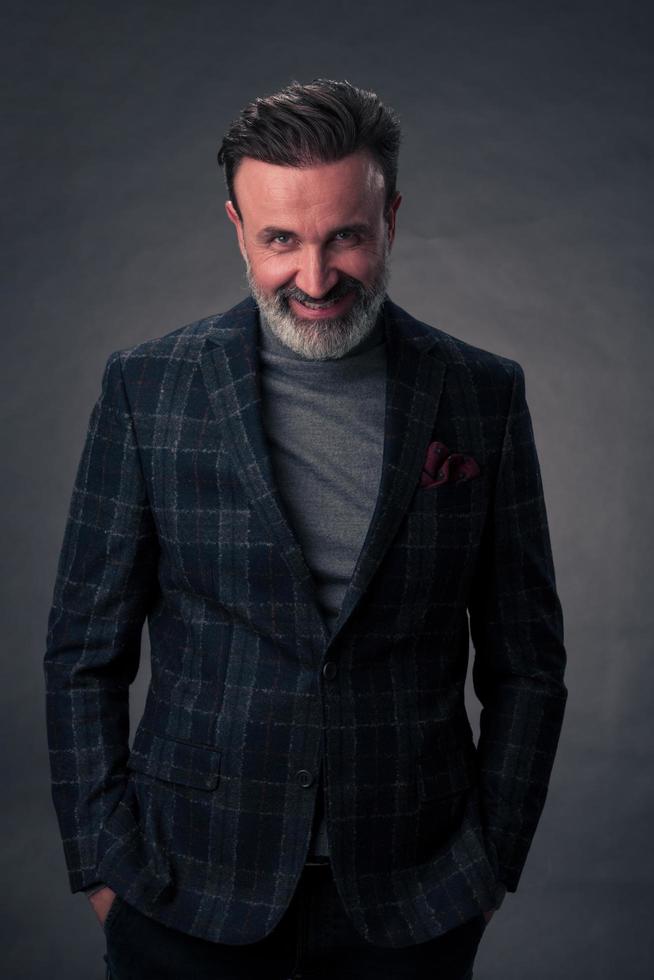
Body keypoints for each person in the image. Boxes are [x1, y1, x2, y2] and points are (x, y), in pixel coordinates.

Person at [44, 78, 567, 979]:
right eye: (280, 240)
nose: (314, 278)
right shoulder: (148, 388)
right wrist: (101, 863)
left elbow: (528, 660)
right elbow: (84, 650)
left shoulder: (481, 395)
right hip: (184, 886)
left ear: (390, 220)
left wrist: (488, 863)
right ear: (237, 228)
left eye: (346, 238)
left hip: (414, 900)